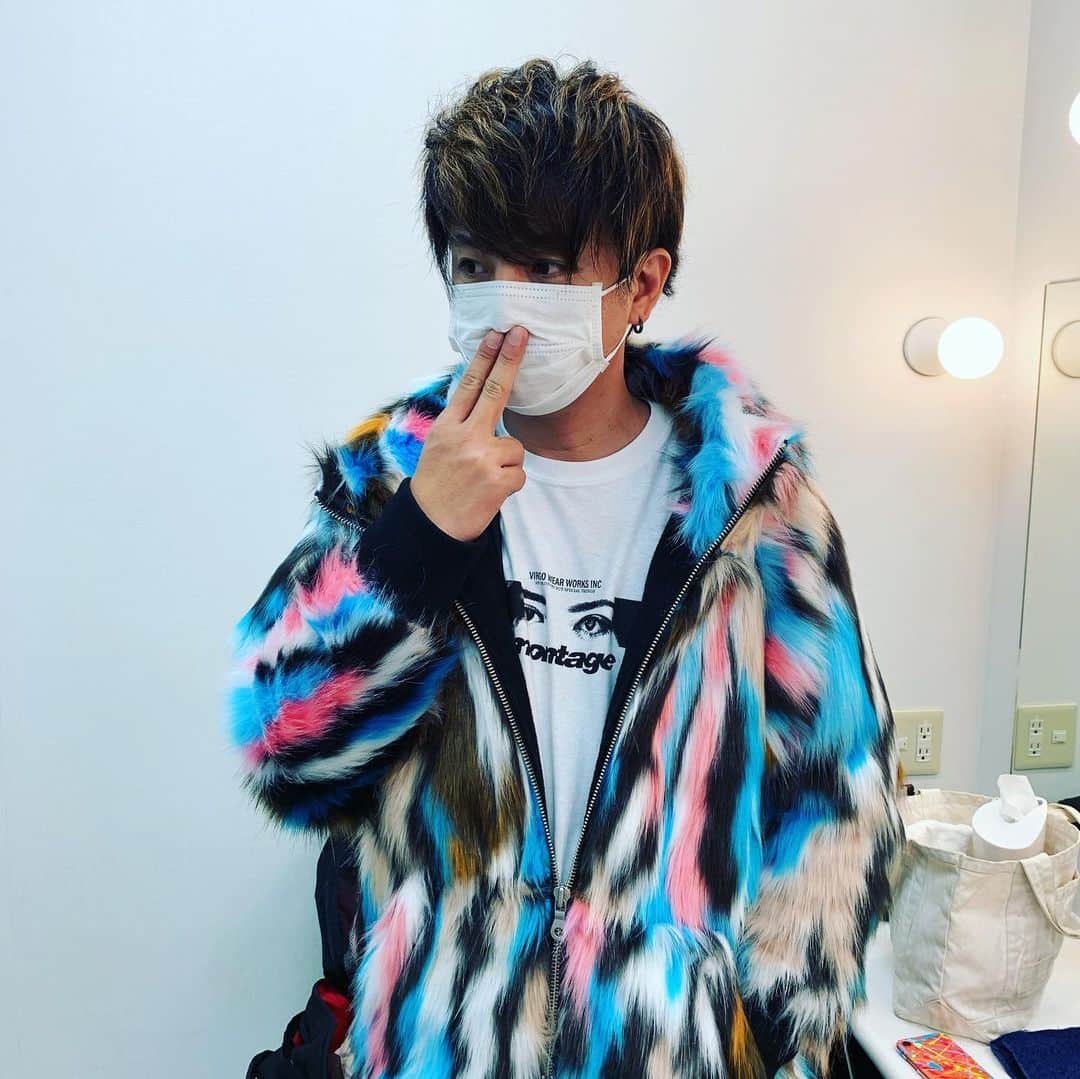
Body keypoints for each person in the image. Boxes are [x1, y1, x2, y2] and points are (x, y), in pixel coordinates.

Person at [226, 56, 905, 1079]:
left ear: (644, 285)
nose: (504, 302)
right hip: (445, 1042)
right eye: (474, 264)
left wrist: (765, 1028)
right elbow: (284, 756)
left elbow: (839, 790)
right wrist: (418, 542)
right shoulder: (389, 479)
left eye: (544, 268)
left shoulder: (754, 505)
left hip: (665, 1049)